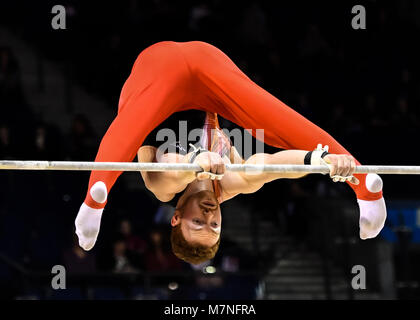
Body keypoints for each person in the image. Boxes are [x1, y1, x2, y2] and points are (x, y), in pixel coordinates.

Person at [75, 41, 386, 264]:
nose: (210, 217)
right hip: (208, 67)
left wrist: (195, 164)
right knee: (276, 121)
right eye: (214, 226)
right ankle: (364, 186)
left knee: (128, 126)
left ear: (177, 218)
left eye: (197, 223)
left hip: (157, 72)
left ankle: (96, 195)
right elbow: (270, 166)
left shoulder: (163, 191)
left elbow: (170, 169)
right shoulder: (230, 185)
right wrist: (319, 161)